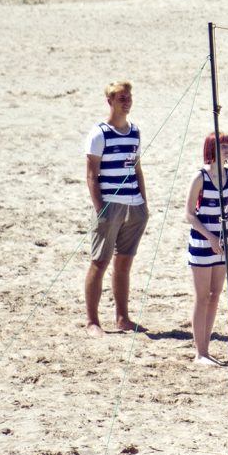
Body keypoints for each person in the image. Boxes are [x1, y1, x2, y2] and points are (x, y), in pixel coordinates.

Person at [83, 81, 148, 334]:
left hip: (134, 206)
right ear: (110, 101)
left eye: (129, 97)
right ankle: (92, 322)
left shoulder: (134, 131)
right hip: (110, 205)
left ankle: (123, 318)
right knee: (99, 262)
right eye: (122, 98)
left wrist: (144, 204)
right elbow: (91, 175)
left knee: (124, 263)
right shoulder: (99, 133)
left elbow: (137, 169)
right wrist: (101, 209)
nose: (127, 102)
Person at [186, 133, 228, 366]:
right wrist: (210, 238)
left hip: (223, 242)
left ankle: (206, 349)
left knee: (215, 295)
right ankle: (200, 353)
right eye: (223, 146)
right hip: (202, 242)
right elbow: (189, 215)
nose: (227, 149)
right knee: (202, 296)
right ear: (212, 149)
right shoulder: (200, 177)